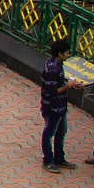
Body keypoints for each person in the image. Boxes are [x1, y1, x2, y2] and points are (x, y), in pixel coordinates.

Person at [39, 38, 83, 172]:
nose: (68, 56)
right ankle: (48, 160)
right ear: (60, 54)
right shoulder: (53, 68)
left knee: (61, 132)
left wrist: (70, 85)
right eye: (67, 53)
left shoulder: (56, 65)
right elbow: (51, 91)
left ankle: (59, 158)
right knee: (49, 133)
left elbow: (58, 84)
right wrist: (67, 86)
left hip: (60, 107)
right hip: (52, 106)